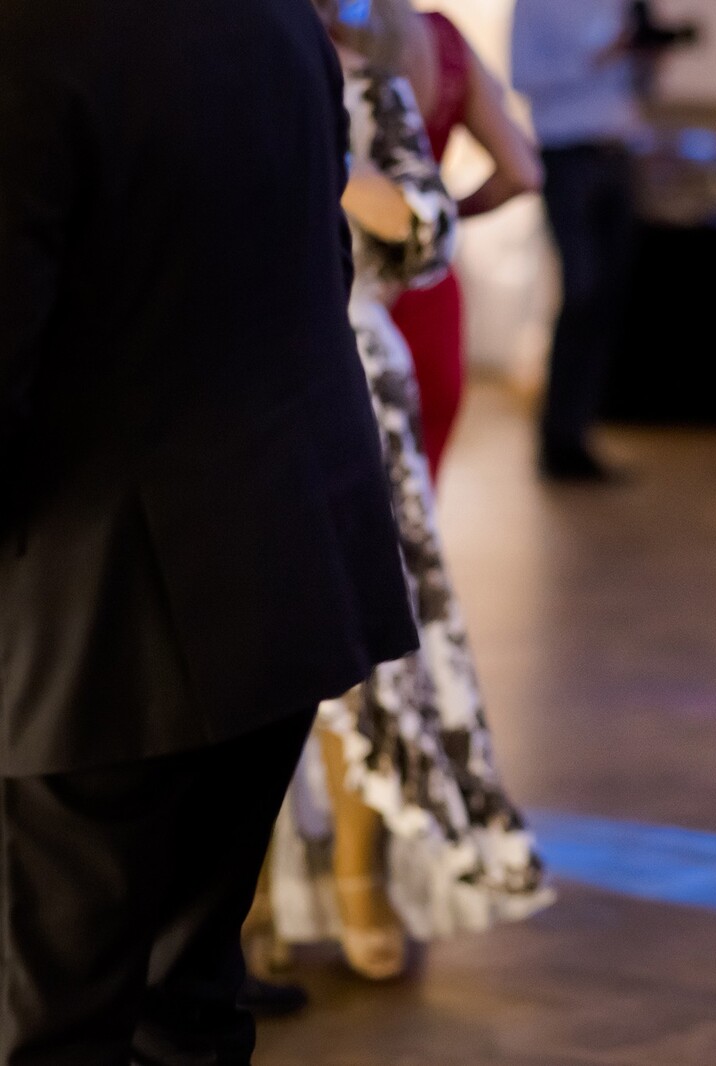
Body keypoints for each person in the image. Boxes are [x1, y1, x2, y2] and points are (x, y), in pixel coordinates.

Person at [0, 0, 418, 1058]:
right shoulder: (274, 14)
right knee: (183, 992)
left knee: (51, 1013)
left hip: (93, 609)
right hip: (280, 555)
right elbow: (317, 267)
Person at [263, 0, 553, 985]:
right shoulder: (202, 80)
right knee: (244, 650)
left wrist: (325, 159)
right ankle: (256, 895)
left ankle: (357, 878)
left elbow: (424, 231)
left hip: (355, 377)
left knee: (363, 646)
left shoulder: (368, 83)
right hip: (232, 388)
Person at [389, 0, 544, 483]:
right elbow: (522, 172)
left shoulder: (334, 42)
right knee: (418, 503)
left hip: (350, 294)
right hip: (430, 289)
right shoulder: (443, 40)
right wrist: (437, 216)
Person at [510, 0, 653, 480]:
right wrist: (596, 57)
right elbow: (521, 75)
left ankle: (580, 434)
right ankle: (557, 440)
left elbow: (639, 87)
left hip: (617, 152)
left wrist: (647, 57)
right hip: (567, 155)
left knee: (607, 299)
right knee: (581, 291)